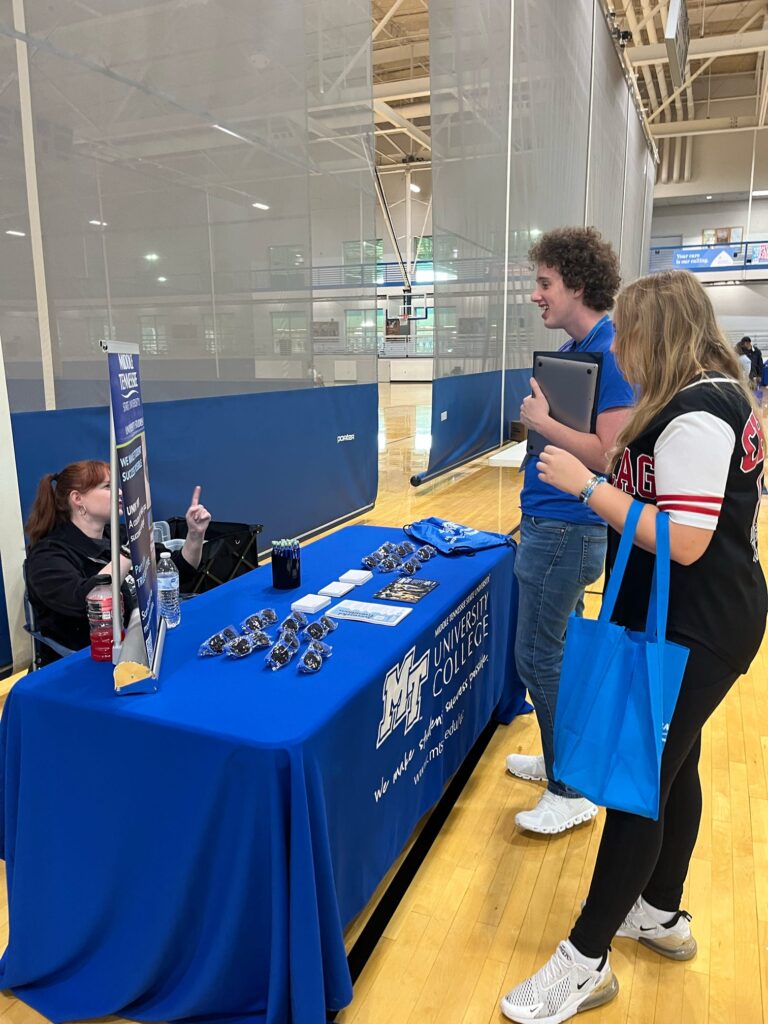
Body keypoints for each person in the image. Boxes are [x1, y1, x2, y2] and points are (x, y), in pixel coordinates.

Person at [500, 270, 766, 1023]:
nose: (627, 352)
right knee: (673, 767)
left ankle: (584, 962)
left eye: (635, 336)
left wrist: (586, 486)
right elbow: (660, 488)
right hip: (694, 615)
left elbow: (684, 540)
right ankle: (661, 911)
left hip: (703, 620)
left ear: (660, 334)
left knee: (639, 780)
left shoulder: (700, 412)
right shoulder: (701, 398)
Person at [505, 227, 635, 835]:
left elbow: (609, 455)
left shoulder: (610, 352)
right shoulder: (585, 347)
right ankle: (563, 758)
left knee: (536, 656)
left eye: (545, 282)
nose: (536, 294)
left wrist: (541, 422)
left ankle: (571, 786)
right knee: (552, 656)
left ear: (577, 284)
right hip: (553, 526)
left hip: (567, 529)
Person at [25, 460, 212, 665]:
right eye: (108, 487)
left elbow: (179, 572)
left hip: (144, 645)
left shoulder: (117, 534)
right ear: (78, 499)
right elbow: (83, 601)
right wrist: (129, 551)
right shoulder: (47, 556)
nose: (120, 493)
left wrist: (195, 534)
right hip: (91, 660)